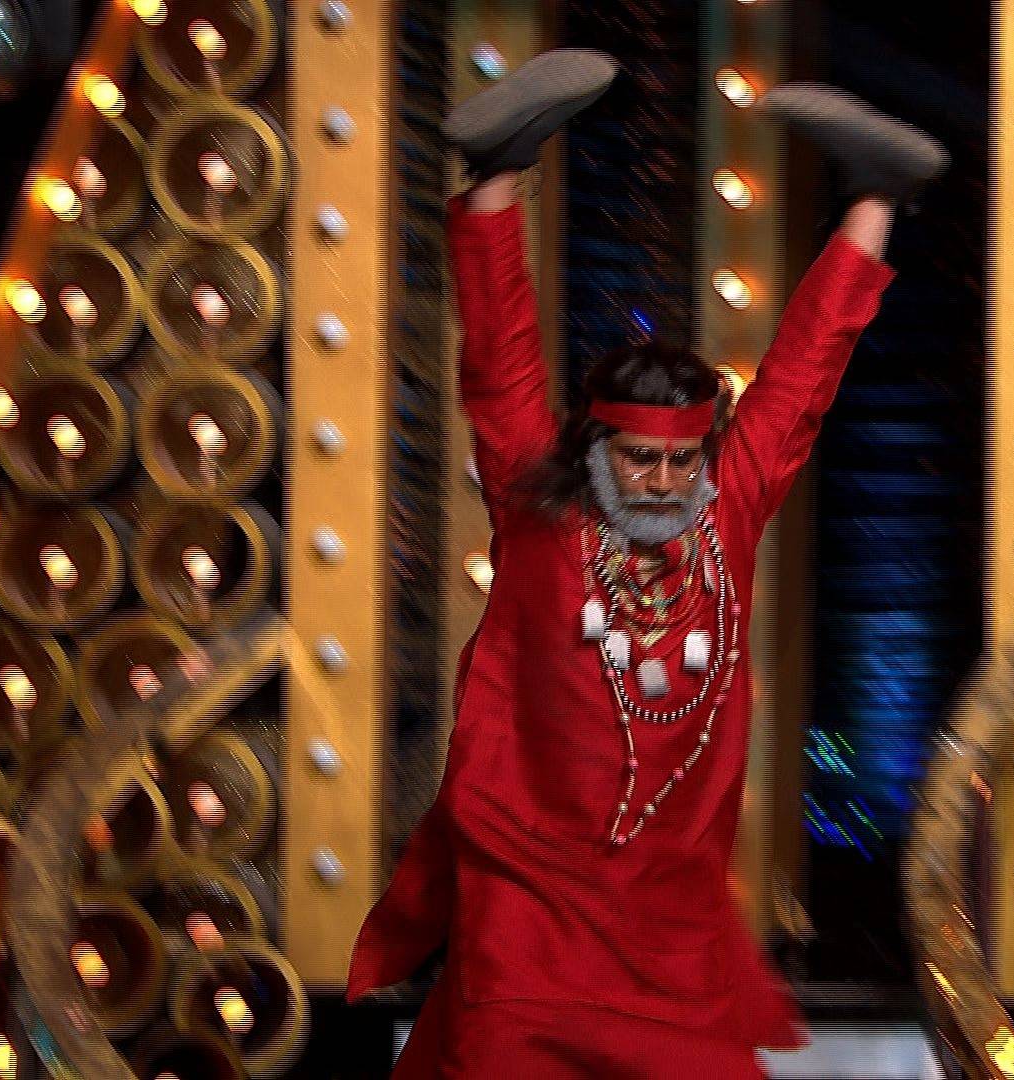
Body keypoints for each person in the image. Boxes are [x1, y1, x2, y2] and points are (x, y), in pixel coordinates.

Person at [346, 48, 946, 1078]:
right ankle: (494, 163)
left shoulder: (728, 509)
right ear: (596, 451)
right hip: (529, 926)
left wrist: (877, 200)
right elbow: (500, 362)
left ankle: (878, 191)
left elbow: (804, 374)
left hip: (670, 939)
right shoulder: (542, 513)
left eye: (683, 459)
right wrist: (496, 183)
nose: (665, 480)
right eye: (641, 458)